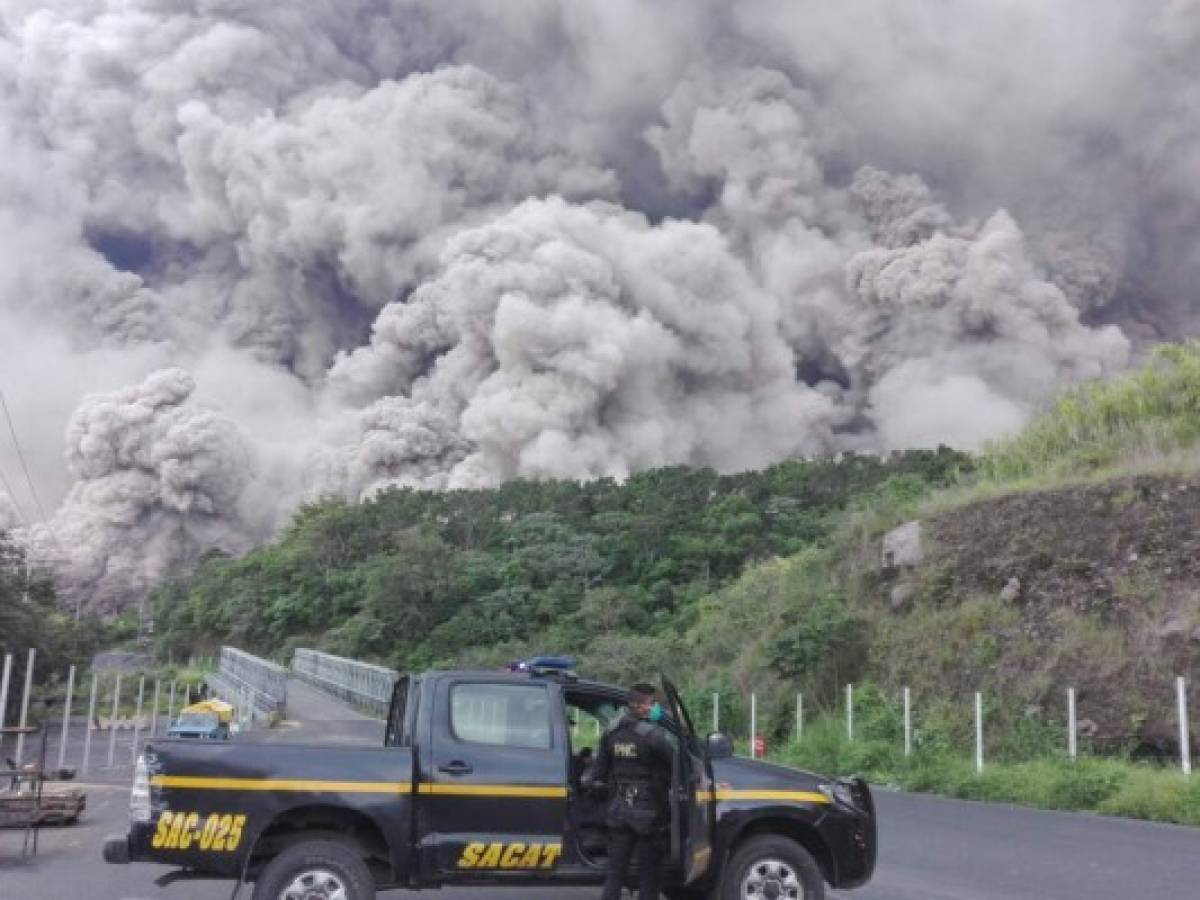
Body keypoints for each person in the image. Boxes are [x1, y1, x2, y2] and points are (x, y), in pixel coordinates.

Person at [587, 682, 674, 900]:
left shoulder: (611, 732)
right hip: (647, 813)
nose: (655, 708)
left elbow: (598, 771)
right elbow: (677, 765)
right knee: (648, 874)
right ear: (637, 706)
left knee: (615, 871)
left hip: (619, 809)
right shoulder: (652, 736)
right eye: (651, 704)